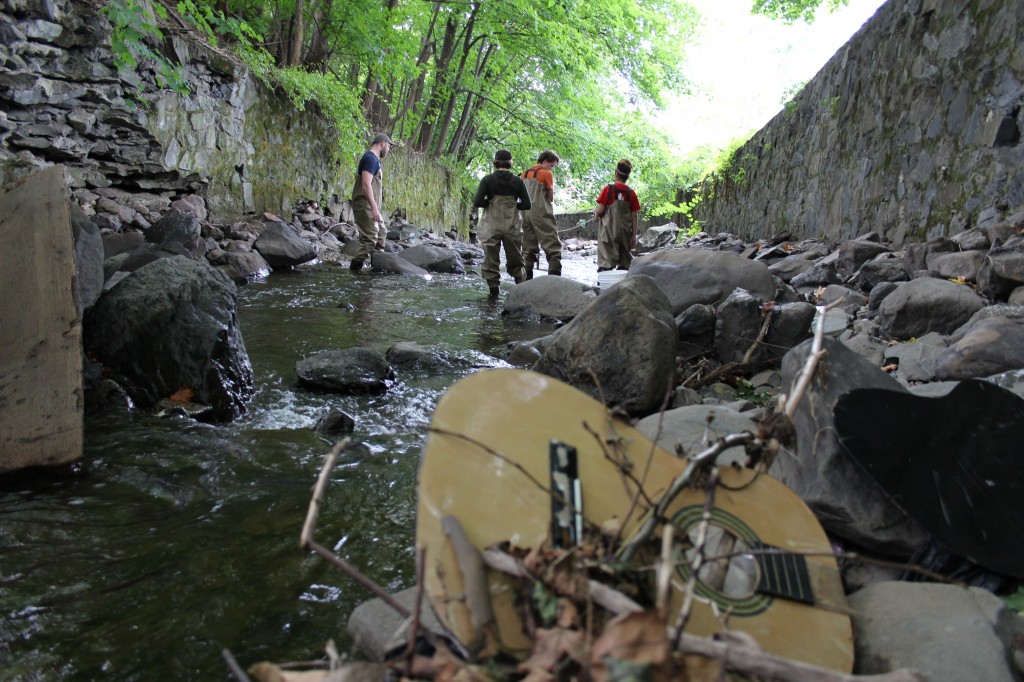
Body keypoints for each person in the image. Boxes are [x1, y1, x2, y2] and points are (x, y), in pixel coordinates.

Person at [472, 148, 532, 298]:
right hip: (512, 225)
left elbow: (478, 202)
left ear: (496, 162)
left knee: (491, 260)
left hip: (491, 224)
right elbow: (527, 205)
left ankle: (494, 293)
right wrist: (512, 206)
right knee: (516, 259)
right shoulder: (518, 181)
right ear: (510, 162)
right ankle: (522, 291)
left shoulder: (487, 180)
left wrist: (491, 203)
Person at [349, 132, 394, 271]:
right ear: (382, 143)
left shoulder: (375, 160)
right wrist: (374, 208)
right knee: (370, 238)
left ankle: (378, 265)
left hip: (371, 205)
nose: (388, 149)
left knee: (381, 232)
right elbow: (365, 184)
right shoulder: (370, 159)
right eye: (389, 146)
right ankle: (354, 270)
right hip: (364, 204)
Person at [520, 149, 561, 278]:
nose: (551, 169)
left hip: (525, 214)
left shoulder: (524, 174)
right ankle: (554, 279)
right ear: (545, 162)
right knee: (552, 245)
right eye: (552, 165)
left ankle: (525, 281)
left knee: (528, 248)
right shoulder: (546, 173)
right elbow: (550, 197)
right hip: (541, 212)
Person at [594, 159, 641, 271]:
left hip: (608, 231)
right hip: (625, 233)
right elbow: (634, 217)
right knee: (624, 261)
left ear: (616, 172)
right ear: (627, 176)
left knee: (606, 258)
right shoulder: (631, 193)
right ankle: (622, 283)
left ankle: (605, 283)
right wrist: (633, 235)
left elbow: (600, 210)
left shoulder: (609, 189)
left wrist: (596, 216)